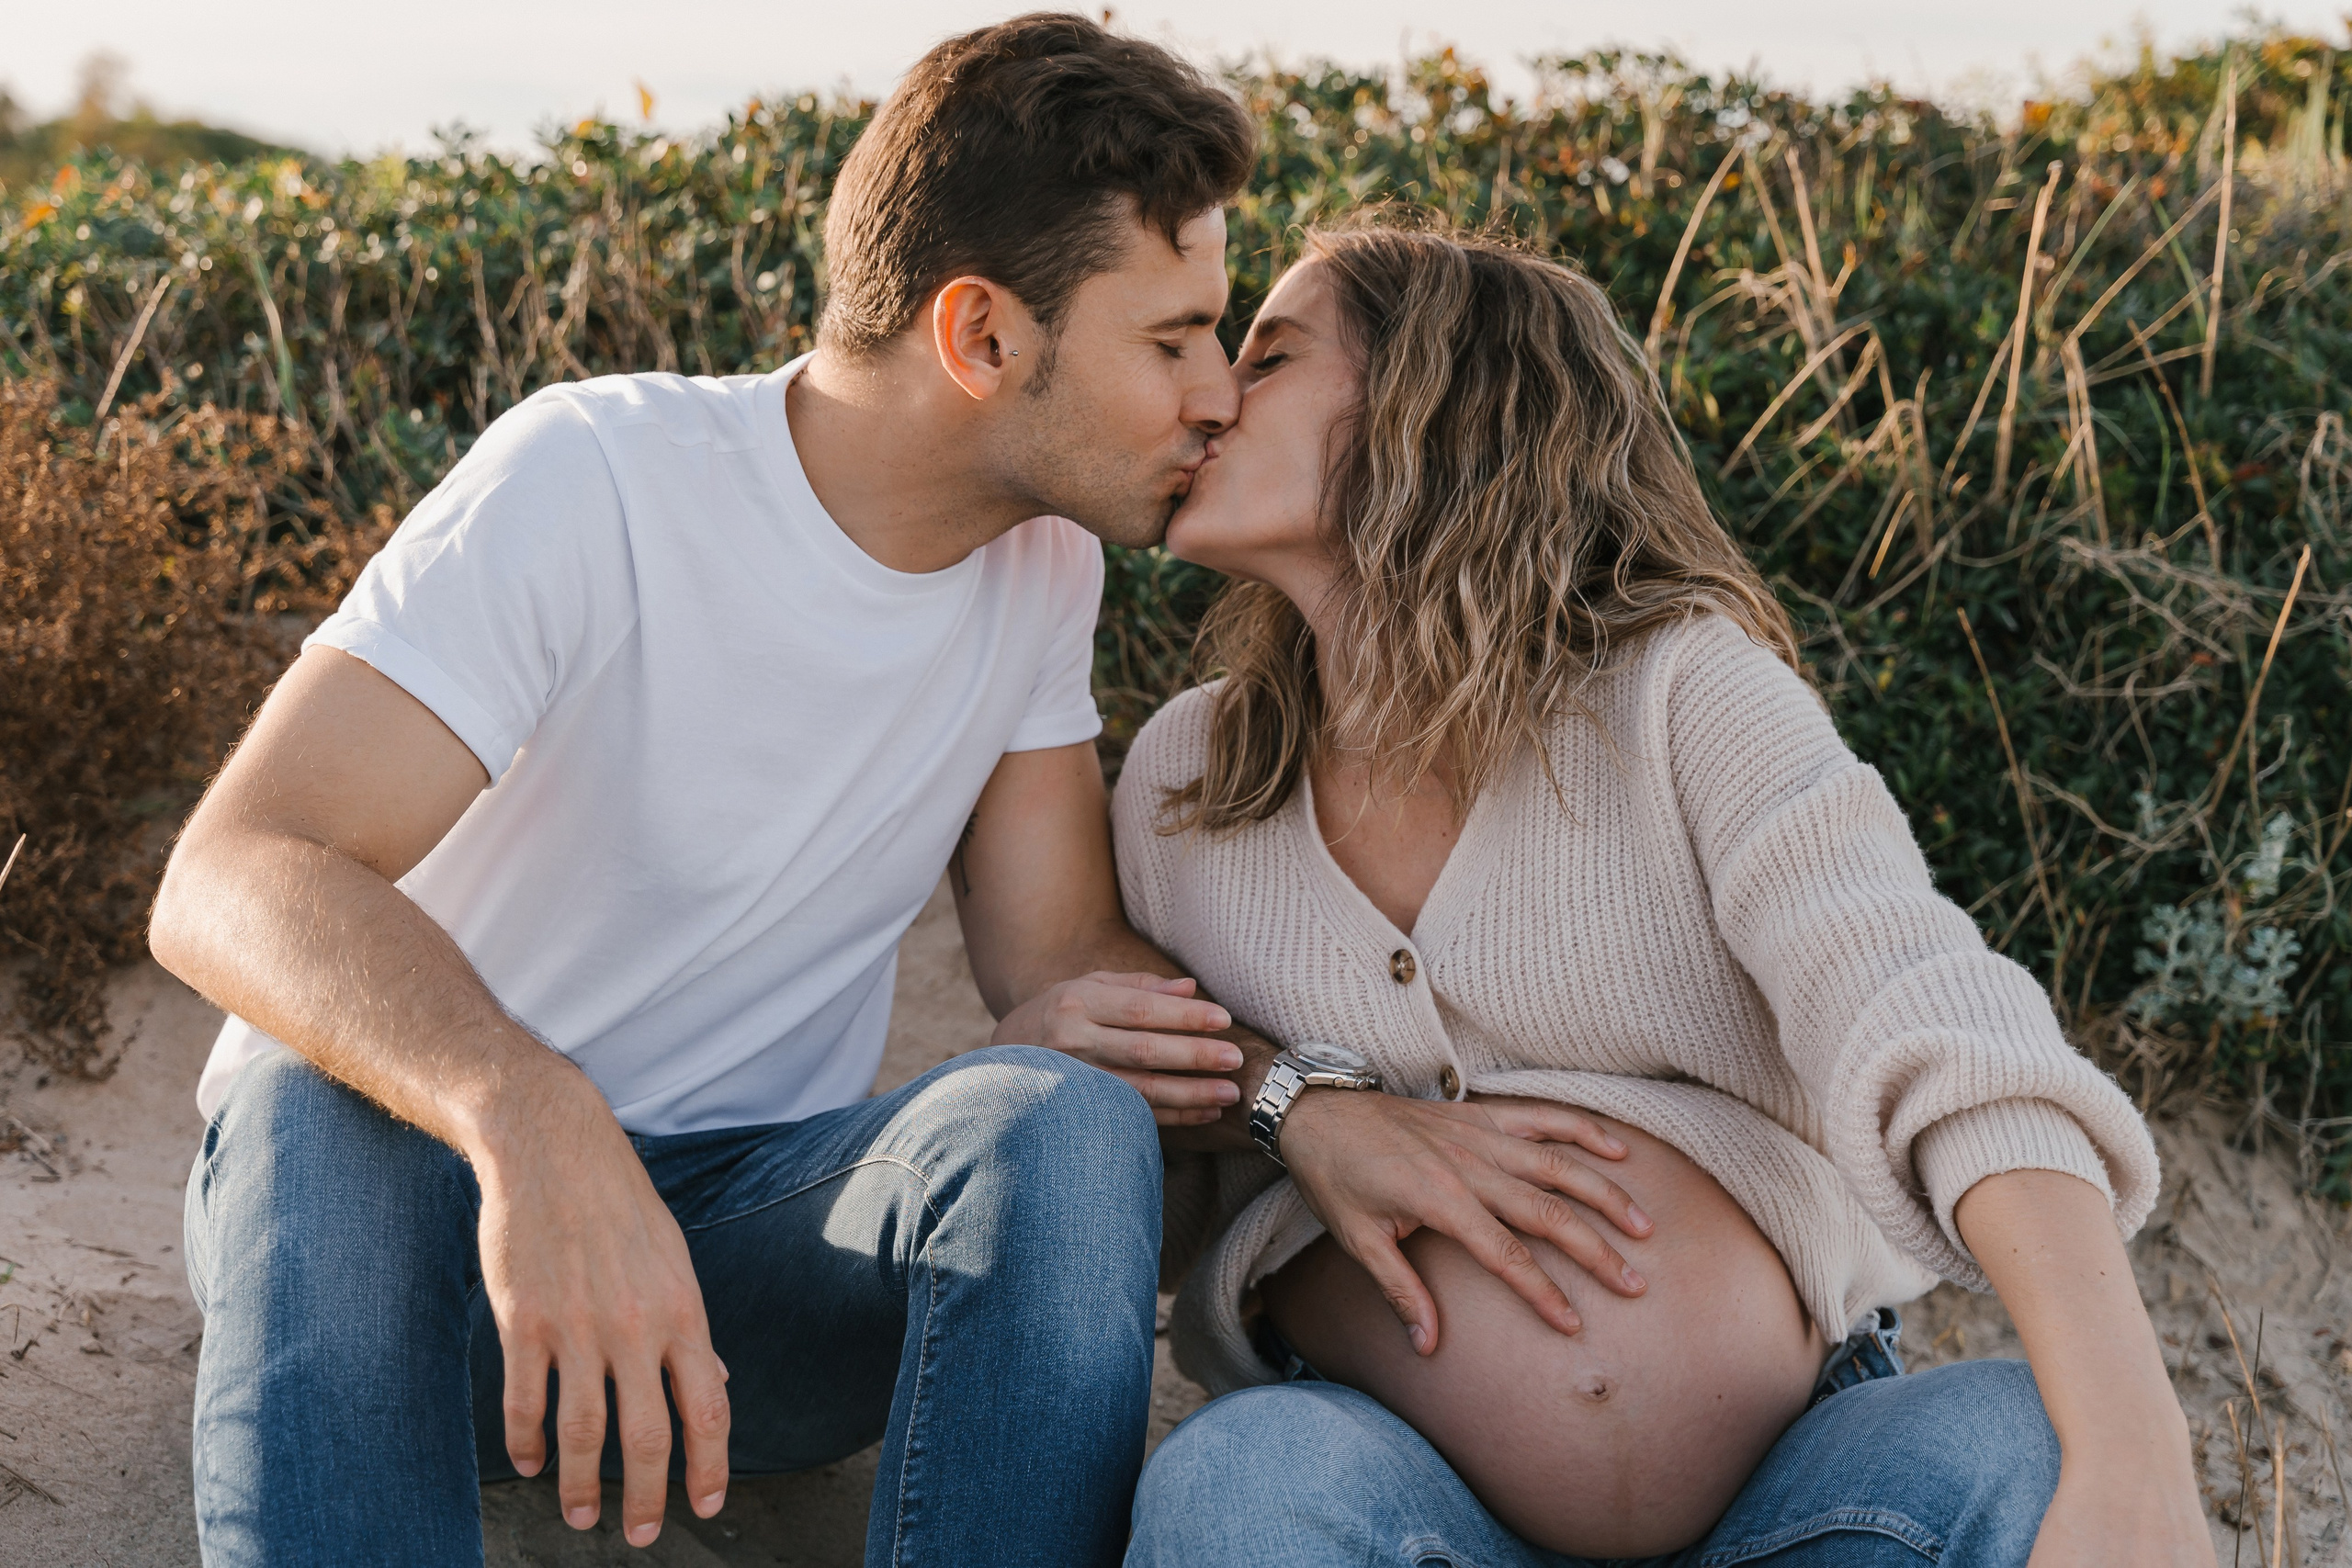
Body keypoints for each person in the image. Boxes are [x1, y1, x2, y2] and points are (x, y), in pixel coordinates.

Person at [150, 16, 1267, 1565]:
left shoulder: (1040, 568)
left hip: (732, 1287)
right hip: (415, 1249)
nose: (1222, 393)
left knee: (1060, 1126)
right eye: (1176, 339)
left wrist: (1312, 1096)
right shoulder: (595, 480)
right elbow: (234, 869)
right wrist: (530, 1117)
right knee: (306, 1096)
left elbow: (1059, 955)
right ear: (984, 338)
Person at [1107, 220, 2214, 1566]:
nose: (1214, 392)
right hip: (1392, 1503)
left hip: (1801, 1500)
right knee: (1233, 1484)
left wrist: (2136, 1453)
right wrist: (1303, 1104)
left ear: (1431, 408)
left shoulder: (1684, 695)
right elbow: (1143, 1136)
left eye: (1270, 357)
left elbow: (1927, 1018)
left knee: (2023, 1439)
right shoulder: (1185, 782)